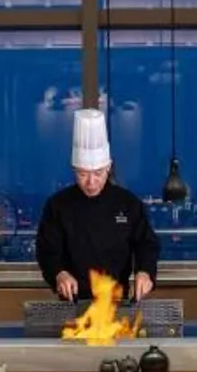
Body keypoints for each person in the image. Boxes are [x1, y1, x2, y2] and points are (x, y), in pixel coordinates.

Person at [36, 108, 160, 302]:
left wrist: (145, 272)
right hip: (73, 303)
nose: (91, 182)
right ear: (74, 170)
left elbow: (146, 244)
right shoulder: (58, 205)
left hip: (117, 302)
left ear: (108, 168)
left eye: (98, 173)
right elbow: (46, 250)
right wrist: (59, 273)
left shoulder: (128, 203)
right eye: (83, 174)